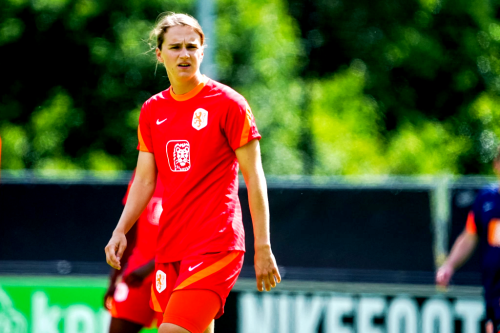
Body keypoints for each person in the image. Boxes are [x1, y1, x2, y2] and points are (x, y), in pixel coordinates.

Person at [104, 12, 281, 333]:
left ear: (202, 51)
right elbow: (144, 179)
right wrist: (120, 231)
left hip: (216, 242)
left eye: (191, 46)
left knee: (171, 330)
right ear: (159, 54)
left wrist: (263, 246)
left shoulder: (229, 103)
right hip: (170, 245)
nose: (184, 54)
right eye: (175, 47)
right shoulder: (152, 110)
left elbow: (255, 176)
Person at [436, 152, 500, 333]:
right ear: (496, 164)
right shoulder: (486, 199)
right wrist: (449, 265)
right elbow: (469, 236)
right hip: (493, 290)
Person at [105, 174, 164, 333]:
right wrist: (114, 279)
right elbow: (129, 231)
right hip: (136, 275)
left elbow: (188, 233)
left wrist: (150, 268)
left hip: (173, 272)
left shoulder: (184, 168)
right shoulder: (142, 173)